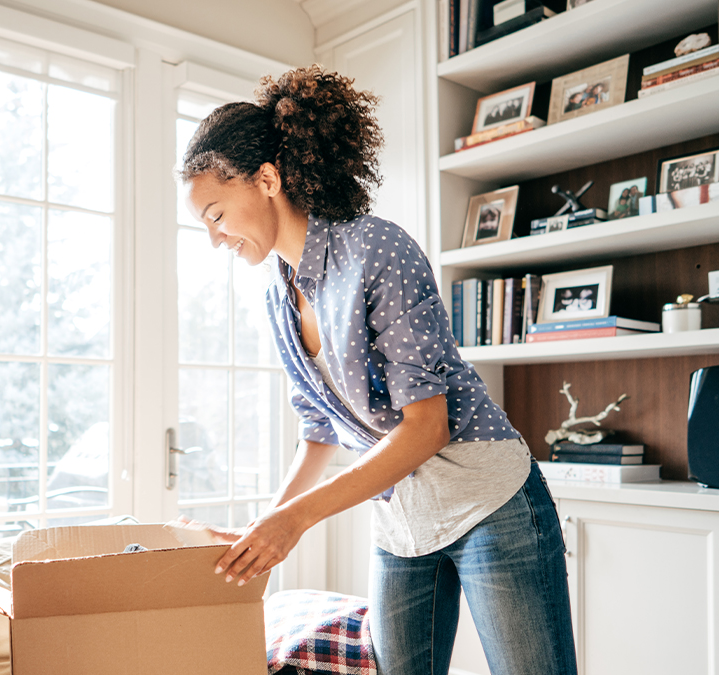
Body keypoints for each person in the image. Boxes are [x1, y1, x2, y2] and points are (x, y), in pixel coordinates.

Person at [176, 65, 577, 675]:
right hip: (401, 520)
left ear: (266, 179)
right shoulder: (277, 294)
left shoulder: (375, 249)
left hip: (488, 501)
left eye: (215, 215)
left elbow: (426, 428)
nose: (215, 238)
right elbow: (319, 431)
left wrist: (295, 521)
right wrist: (262, 530)